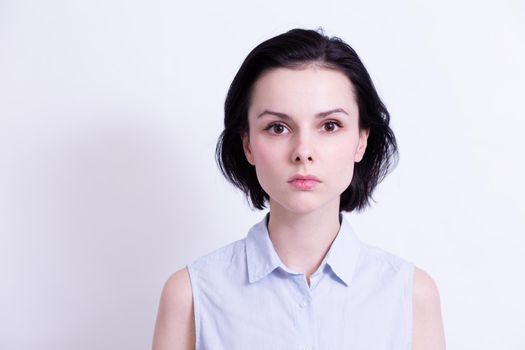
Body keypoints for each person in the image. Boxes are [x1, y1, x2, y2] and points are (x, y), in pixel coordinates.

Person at [152, 28, 445, 350]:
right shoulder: (191, 294)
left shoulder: (410, 294)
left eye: (330, 126)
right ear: (247, 143)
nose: (303, 151)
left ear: (361, 140)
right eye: (278, 127)